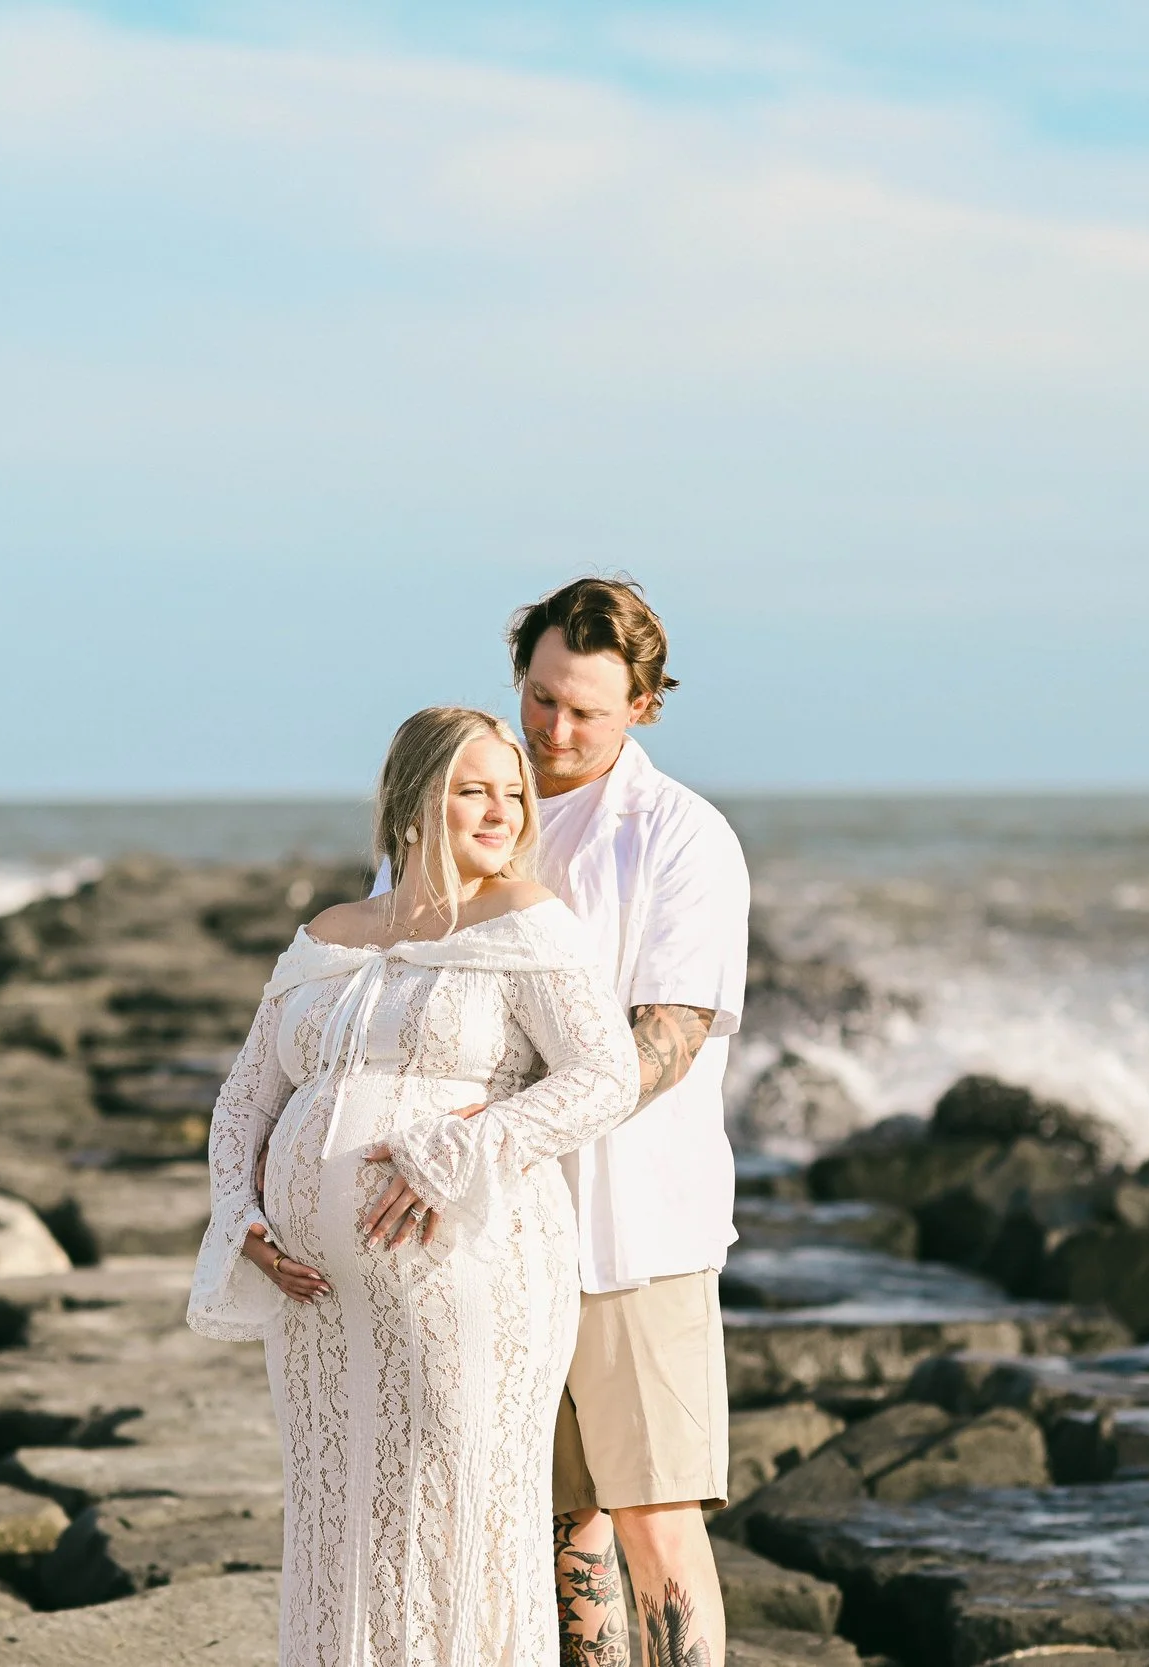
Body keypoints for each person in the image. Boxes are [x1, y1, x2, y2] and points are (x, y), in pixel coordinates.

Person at [188, 705, 639, 1667]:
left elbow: (605, 1076)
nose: (502, 811)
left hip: (466, 1277)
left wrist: (453, 1152)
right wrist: (245, 1219)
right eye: (473, 790)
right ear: (411, 802)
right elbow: (242, 1100)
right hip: (315, 1302)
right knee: (333, 1516)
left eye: (513, 792)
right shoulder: (331, 935)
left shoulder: (524, 922)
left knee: (452, 1513)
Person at [373, 579, 750, 1667]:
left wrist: (503, 1127)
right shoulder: (461, 812)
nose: (554, 729)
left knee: (654, 1522)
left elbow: (667, 1036)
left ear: (644, 704)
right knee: (551, 1527)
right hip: (485, 1233)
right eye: (540, 698)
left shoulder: (682, 837)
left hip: (636, 1235)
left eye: (586, 709)